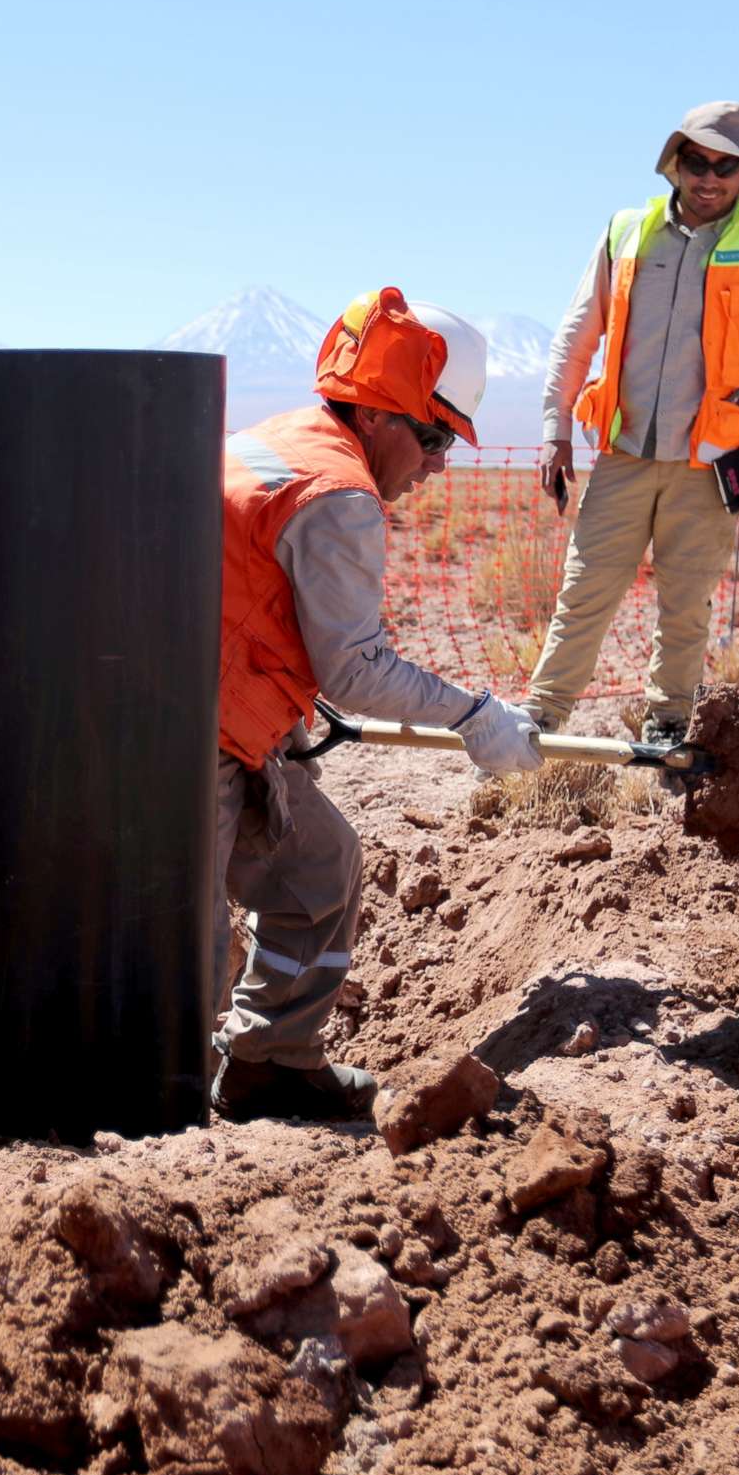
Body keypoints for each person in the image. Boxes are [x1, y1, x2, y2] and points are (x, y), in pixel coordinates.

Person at [213, 288, 544, 1123]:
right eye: (434, 437)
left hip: (206, 718)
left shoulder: (272, 440)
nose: (438, 464)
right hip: (186, 738)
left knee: (319, 865)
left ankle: (270, 1063)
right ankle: (135, 1122)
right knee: (170, 948)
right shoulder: (340, 497)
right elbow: (357, 669)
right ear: (380, 419)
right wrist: (476, 717)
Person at [526, 102, 739, 744]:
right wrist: (556, 428)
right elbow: (577, 338)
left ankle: (668, 725)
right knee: (583, 592)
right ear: (675, 163)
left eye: (726, 166)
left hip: (710, 465)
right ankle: (540, 718)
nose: (709, 178)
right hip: (624, 454)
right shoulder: (626, 232)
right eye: (697, 161)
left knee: (686, 607)